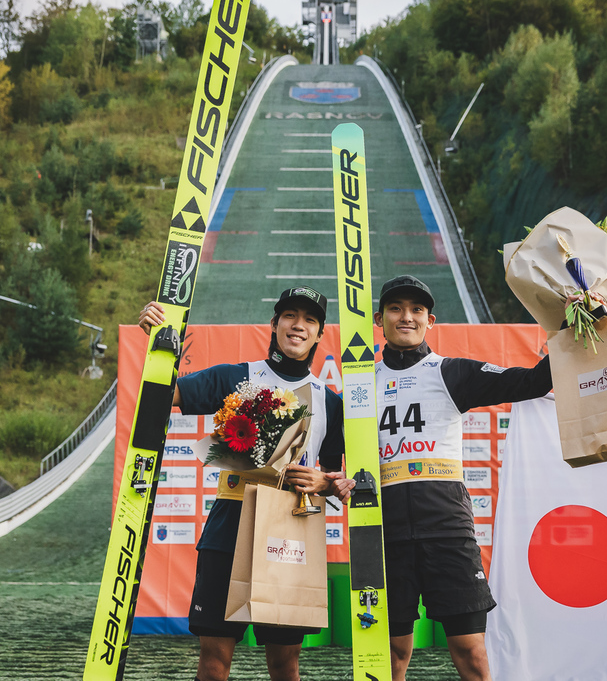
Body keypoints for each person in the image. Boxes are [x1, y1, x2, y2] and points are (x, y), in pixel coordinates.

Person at [138, 287, 354, 681]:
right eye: (290, 316)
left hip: (291, 530)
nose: (299, 325)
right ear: (274, 324)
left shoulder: (331, 402)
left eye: (309, 320)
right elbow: (165, 395)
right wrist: (158, 345)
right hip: (230, 526)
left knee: (285, 664)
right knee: (214, 660)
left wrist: (324, 483)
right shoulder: (238, 377)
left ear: (320, 334)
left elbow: (340, 479)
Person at [371, 275, 553, 681]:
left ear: (430, 321)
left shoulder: (450, 372)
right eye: (396, 308)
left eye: (417, 309)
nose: (406, 317)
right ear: (379, 319)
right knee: (391, 654)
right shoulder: (361, 384)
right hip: (385, 535)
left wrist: (569, 328)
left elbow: (532, 382)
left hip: (447, 531)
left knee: (471, 651)